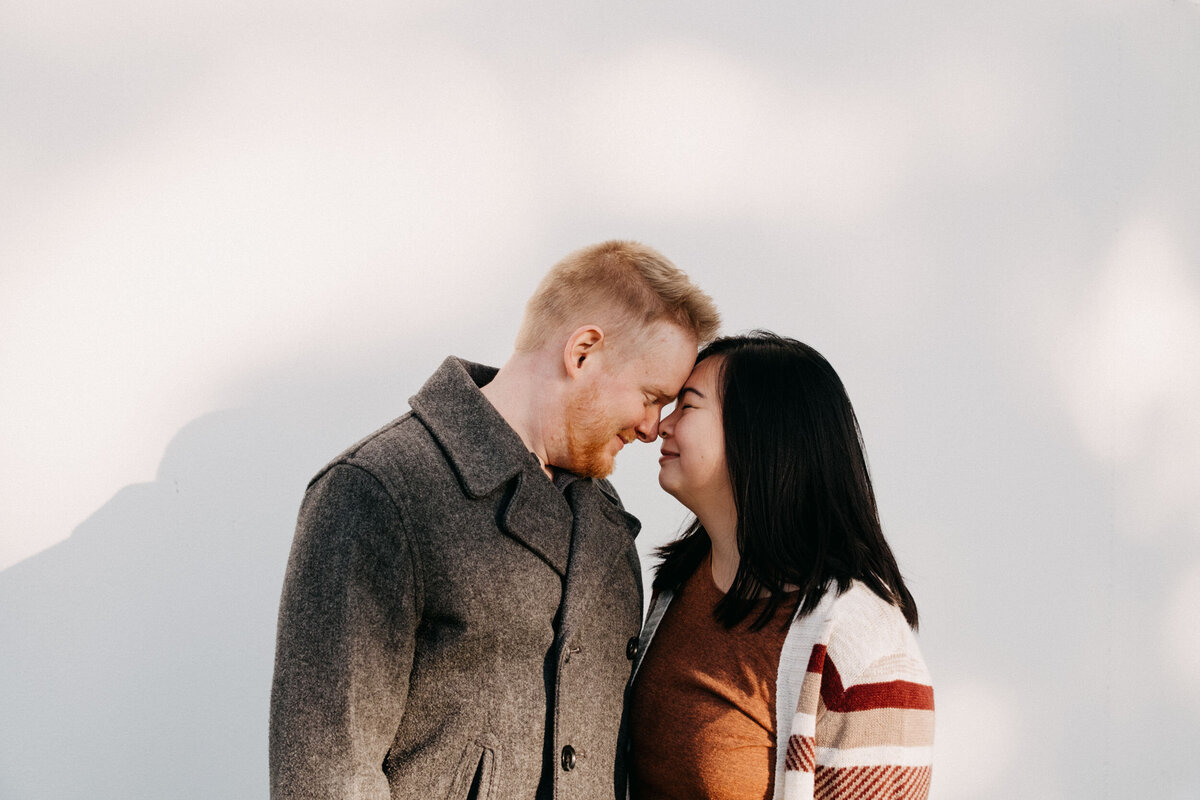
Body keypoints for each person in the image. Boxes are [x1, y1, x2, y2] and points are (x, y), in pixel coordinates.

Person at [269, 241, 720, 800]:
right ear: (583, 352)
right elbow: (327, 778)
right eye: (652, 397)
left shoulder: (607, 526)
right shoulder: (377, 490)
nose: (654, 427)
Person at [628, 332, 933, 800]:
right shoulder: (678, 587)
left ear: (759, 431)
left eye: (687, 406)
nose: (659, 426)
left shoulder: (864, 645)